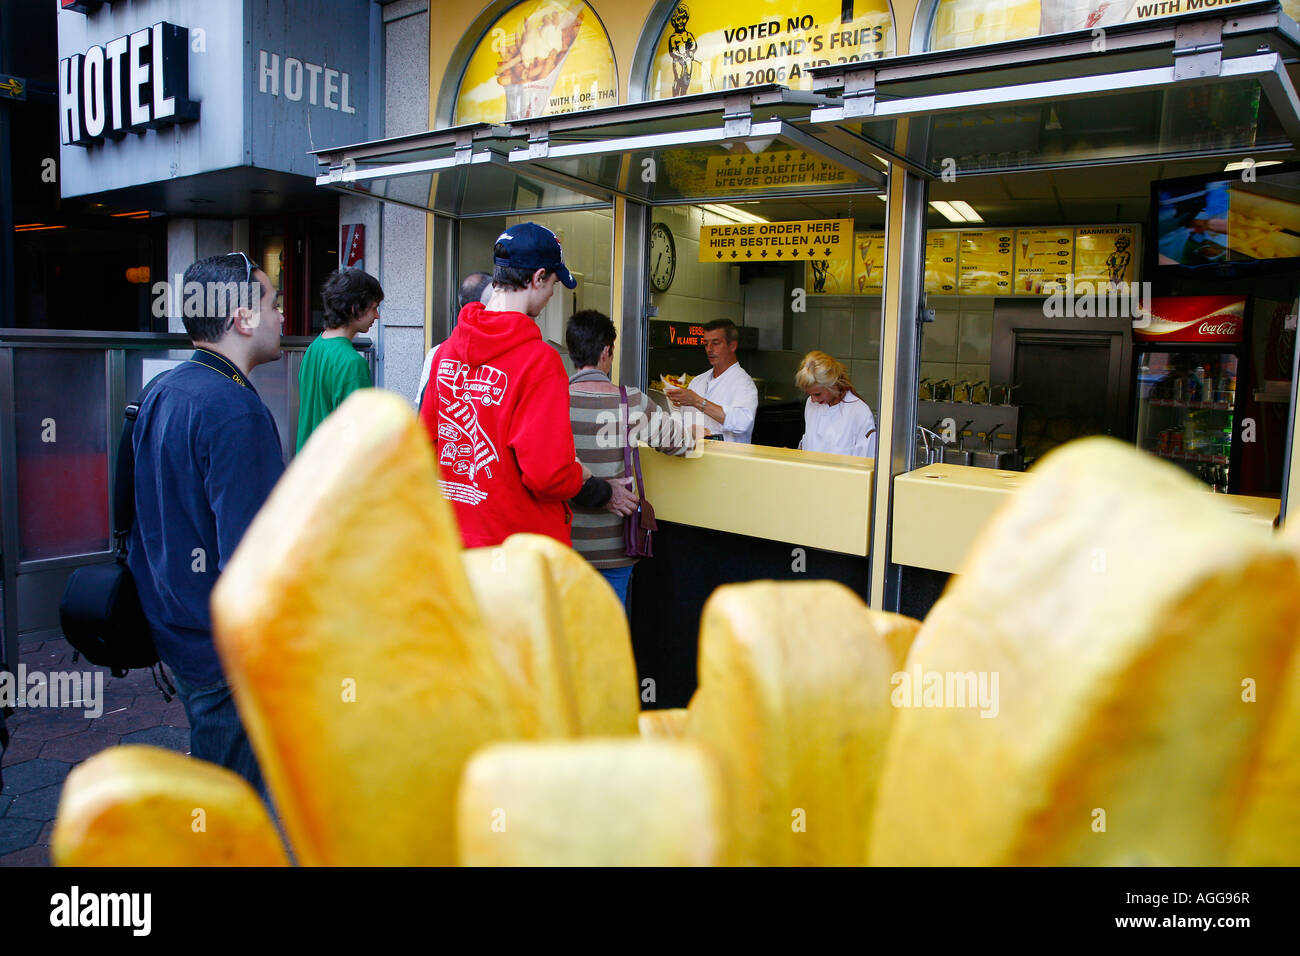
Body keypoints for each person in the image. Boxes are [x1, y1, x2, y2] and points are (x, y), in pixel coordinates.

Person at [128, 252, 285, 794]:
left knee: (217, 795)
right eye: (272, 300)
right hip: (226, 654)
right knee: (237, 816)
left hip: (177, 630)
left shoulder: (166, 390)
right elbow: (252, 562)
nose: (282, 313)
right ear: (242, 318)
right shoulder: (234, 410)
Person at [419, 222, 611, 547]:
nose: (552, 293)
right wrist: (581, 476)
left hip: (453, 542)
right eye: (552, 282)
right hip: (516, 554)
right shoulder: (540, 361)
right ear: (537, 277)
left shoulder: (445, 352)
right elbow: (548, 476)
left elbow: (425, 445)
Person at [566, 310, 692, 605]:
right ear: (607, 351)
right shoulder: (630, 401)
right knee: (610, 636)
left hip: (565, 543)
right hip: (614, 545)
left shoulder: (552, 399)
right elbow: (681, 444)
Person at [296, 268, 383, 451]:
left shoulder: (314, 348)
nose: (377, 315)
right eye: (374, 308)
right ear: (354, 308)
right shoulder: (352, 363)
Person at [665, 319, 758, 444]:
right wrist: (688, 431)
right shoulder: (697, 382)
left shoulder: (744, 384)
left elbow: (742, 423)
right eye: (706, 344)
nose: (709, 349)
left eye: (716, 343)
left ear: (732, 346)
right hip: (694, 459)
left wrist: (697, 401)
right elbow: (681, 423)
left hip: (726, 461)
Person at [416, 271, 492, 410]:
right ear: (492, 304)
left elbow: (424, 407)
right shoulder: (506, 352)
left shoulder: (437, 353)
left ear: (460, 305)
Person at [795, 350, 877, 458]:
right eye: (810, 394)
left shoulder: (859, 412)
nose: (813, 400)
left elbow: (867, 462)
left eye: (817, 394)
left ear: (832, 385)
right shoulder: (811, 404)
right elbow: (808, 444)